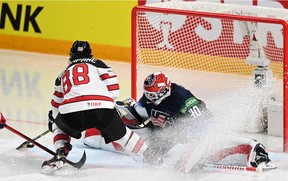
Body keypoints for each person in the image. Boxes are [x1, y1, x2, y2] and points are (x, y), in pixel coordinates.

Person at [83, 71, 274, 172]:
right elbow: (135, 116)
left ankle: (252, 149)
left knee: (203, 150)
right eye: (148, 94)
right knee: (130, 144)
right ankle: (93, 133)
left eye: (154, 94)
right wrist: (115, 113)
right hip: (159, 138)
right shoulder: (147, 100)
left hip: (187, 137)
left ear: (165, 90)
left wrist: (194, 148)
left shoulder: (182, 97)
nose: (150, 98)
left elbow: (206, 124)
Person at [42, 40, 158, 172]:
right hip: (102, 108)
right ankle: (153, 157)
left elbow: (55, 104)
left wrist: (57, 121)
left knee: (58, 123)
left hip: (73, 111)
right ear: (90, 54)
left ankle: (60, 153)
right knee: (124, 135)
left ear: (71, 56)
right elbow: (114, 92)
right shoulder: (99, 64)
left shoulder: (62, 74)